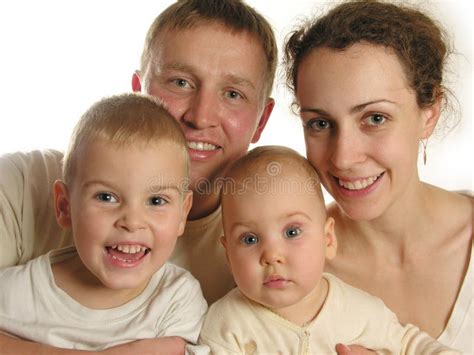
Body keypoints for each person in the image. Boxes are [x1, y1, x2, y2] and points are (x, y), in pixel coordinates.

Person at [0, 1, 276, 353]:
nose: (201, 115)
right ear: (137, 91)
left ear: (262, 121)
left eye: (233, 94)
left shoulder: (276, 244)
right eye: (180, 82)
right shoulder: (24, 184)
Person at [283, 1, 472, 353]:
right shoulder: (282, 265)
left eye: (375, 118)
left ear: (429, 113)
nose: (343, 157)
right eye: (320, 124)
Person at [199, 145, 459, 354]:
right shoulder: (227, 324)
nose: (271, 255)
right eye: (249, 239)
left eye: (292, 232)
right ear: (228, 255)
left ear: (328, 240)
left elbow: (409, 344)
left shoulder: (359, 310)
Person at [0, 93, 208, 354]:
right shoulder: (20, 291)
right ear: (65, 206)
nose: (132, 222)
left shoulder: (176, 299)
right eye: (106, 197)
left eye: (156, 201)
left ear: (182, 214)